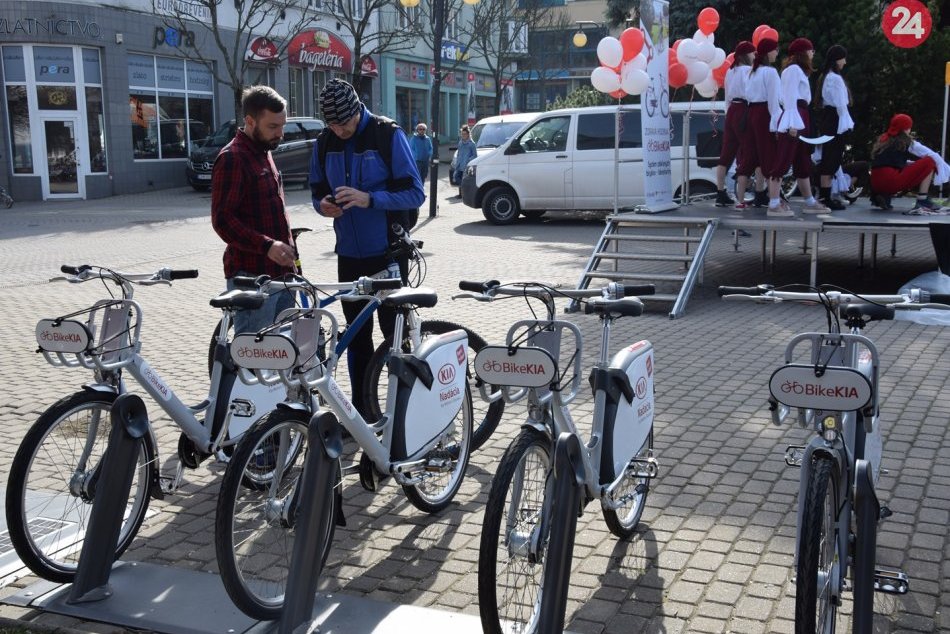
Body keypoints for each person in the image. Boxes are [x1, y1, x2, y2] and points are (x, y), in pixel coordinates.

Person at [309, 79, 425, 414]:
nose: (340, 131)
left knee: (395, 337)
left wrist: (369, 198)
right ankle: (362, 412)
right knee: (358, 339)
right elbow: (316, 191)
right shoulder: (324, 142)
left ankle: (403, 410)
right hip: (349, 256)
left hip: (388, 254)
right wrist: (323, 206)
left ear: (357, 110)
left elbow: (415, 193)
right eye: (332, 125)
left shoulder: (387, 135)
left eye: (344, 124)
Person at [211, 85, 296, 334]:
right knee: (252, 359)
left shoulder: (263, 151)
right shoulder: (233, 158)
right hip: (251, 276)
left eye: (282, 125)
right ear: (250, 121)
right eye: (273, 127)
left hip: (282, 275)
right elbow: (223, 220)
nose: (280, 133)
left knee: (279, 357)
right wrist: (267, 245)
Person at [765, 38, 829, 215]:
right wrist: (792, 123)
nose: (812, 54)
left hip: (801, 115)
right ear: (803, 52)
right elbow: (790, 96)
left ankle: (809, 201)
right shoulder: (793, 70)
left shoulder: (797, 70)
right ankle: (774, 204)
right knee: (783, 160)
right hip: (795, 117)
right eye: (810, 50)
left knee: (802, 161)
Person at [870, 113, 948, 213]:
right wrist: (946, 171)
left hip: (875, 184)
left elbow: (890, 162)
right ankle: (922, 200)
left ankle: (883, 196)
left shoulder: (884, 139)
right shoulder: (906, 141)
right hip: (890, 182)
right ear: (906, 128)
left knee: (904, 167)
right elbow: (932, 155)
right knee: (930, 161)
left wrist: (912, 164)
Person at [744, 38, 783, 214]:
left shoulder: (753, 72)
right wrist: (776, 125)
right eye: (775, 50)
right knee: (770, 155)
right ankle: (774, 201)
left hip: (752, 113)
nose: (777, 53)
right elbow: (773, 100)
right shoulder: (770, 72)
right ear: (768, 52)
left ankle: (762, 194)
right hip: (764, 113)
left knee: (758, 155)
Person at [715, 40, 755, 207]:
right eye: (753, 53)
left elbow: (727, 98)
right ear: (746, 54)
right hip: (743, 109)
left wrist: (728, 113)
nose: (755, 56)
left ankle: (720, 191)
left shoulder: (730, 71)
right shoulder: (748, 71)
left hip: (731, 110)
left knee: (726, 153)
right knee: (748, 150)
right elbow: (751, 93)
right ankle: (742, 195)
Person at [815, 45, 854, 211]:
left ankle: (826, 195)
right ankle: (825, 196)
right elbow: (840, 104)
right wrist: (847, 124)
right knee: (831, 158)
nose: (845, 61)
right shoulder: (835, 79)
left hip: (828, 118)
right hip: (835, 119)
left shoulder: (825, 77)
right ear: (837, 59)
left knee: (829, 157)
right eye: (843, 58)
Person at [453, 125, 477, 194]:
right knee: (456, 177)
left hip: (466, 165)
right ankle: (462, 192)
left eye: (465, 134)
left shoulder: (472, 144)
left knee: (464, 180)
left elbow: (475, 155)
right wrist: (457, 161)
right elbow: (458, 153)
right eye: (462, 134)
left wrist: (468, 160)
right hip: (459, 165)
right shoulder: (460, 143)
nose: (463, 135)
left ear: (468, 134)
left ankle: (463, 194)